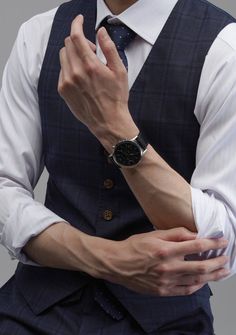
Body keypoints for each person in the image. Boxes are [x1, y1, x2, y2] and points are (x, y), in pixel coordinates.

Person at [0, 0, 236, 333]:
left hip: (165, 322)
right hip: (32, 312)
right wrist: (108, 259)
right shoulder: (38, 36)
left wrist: (114, 127)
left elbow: (218, 243)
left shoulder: (225, 50)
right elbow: (3, 187)